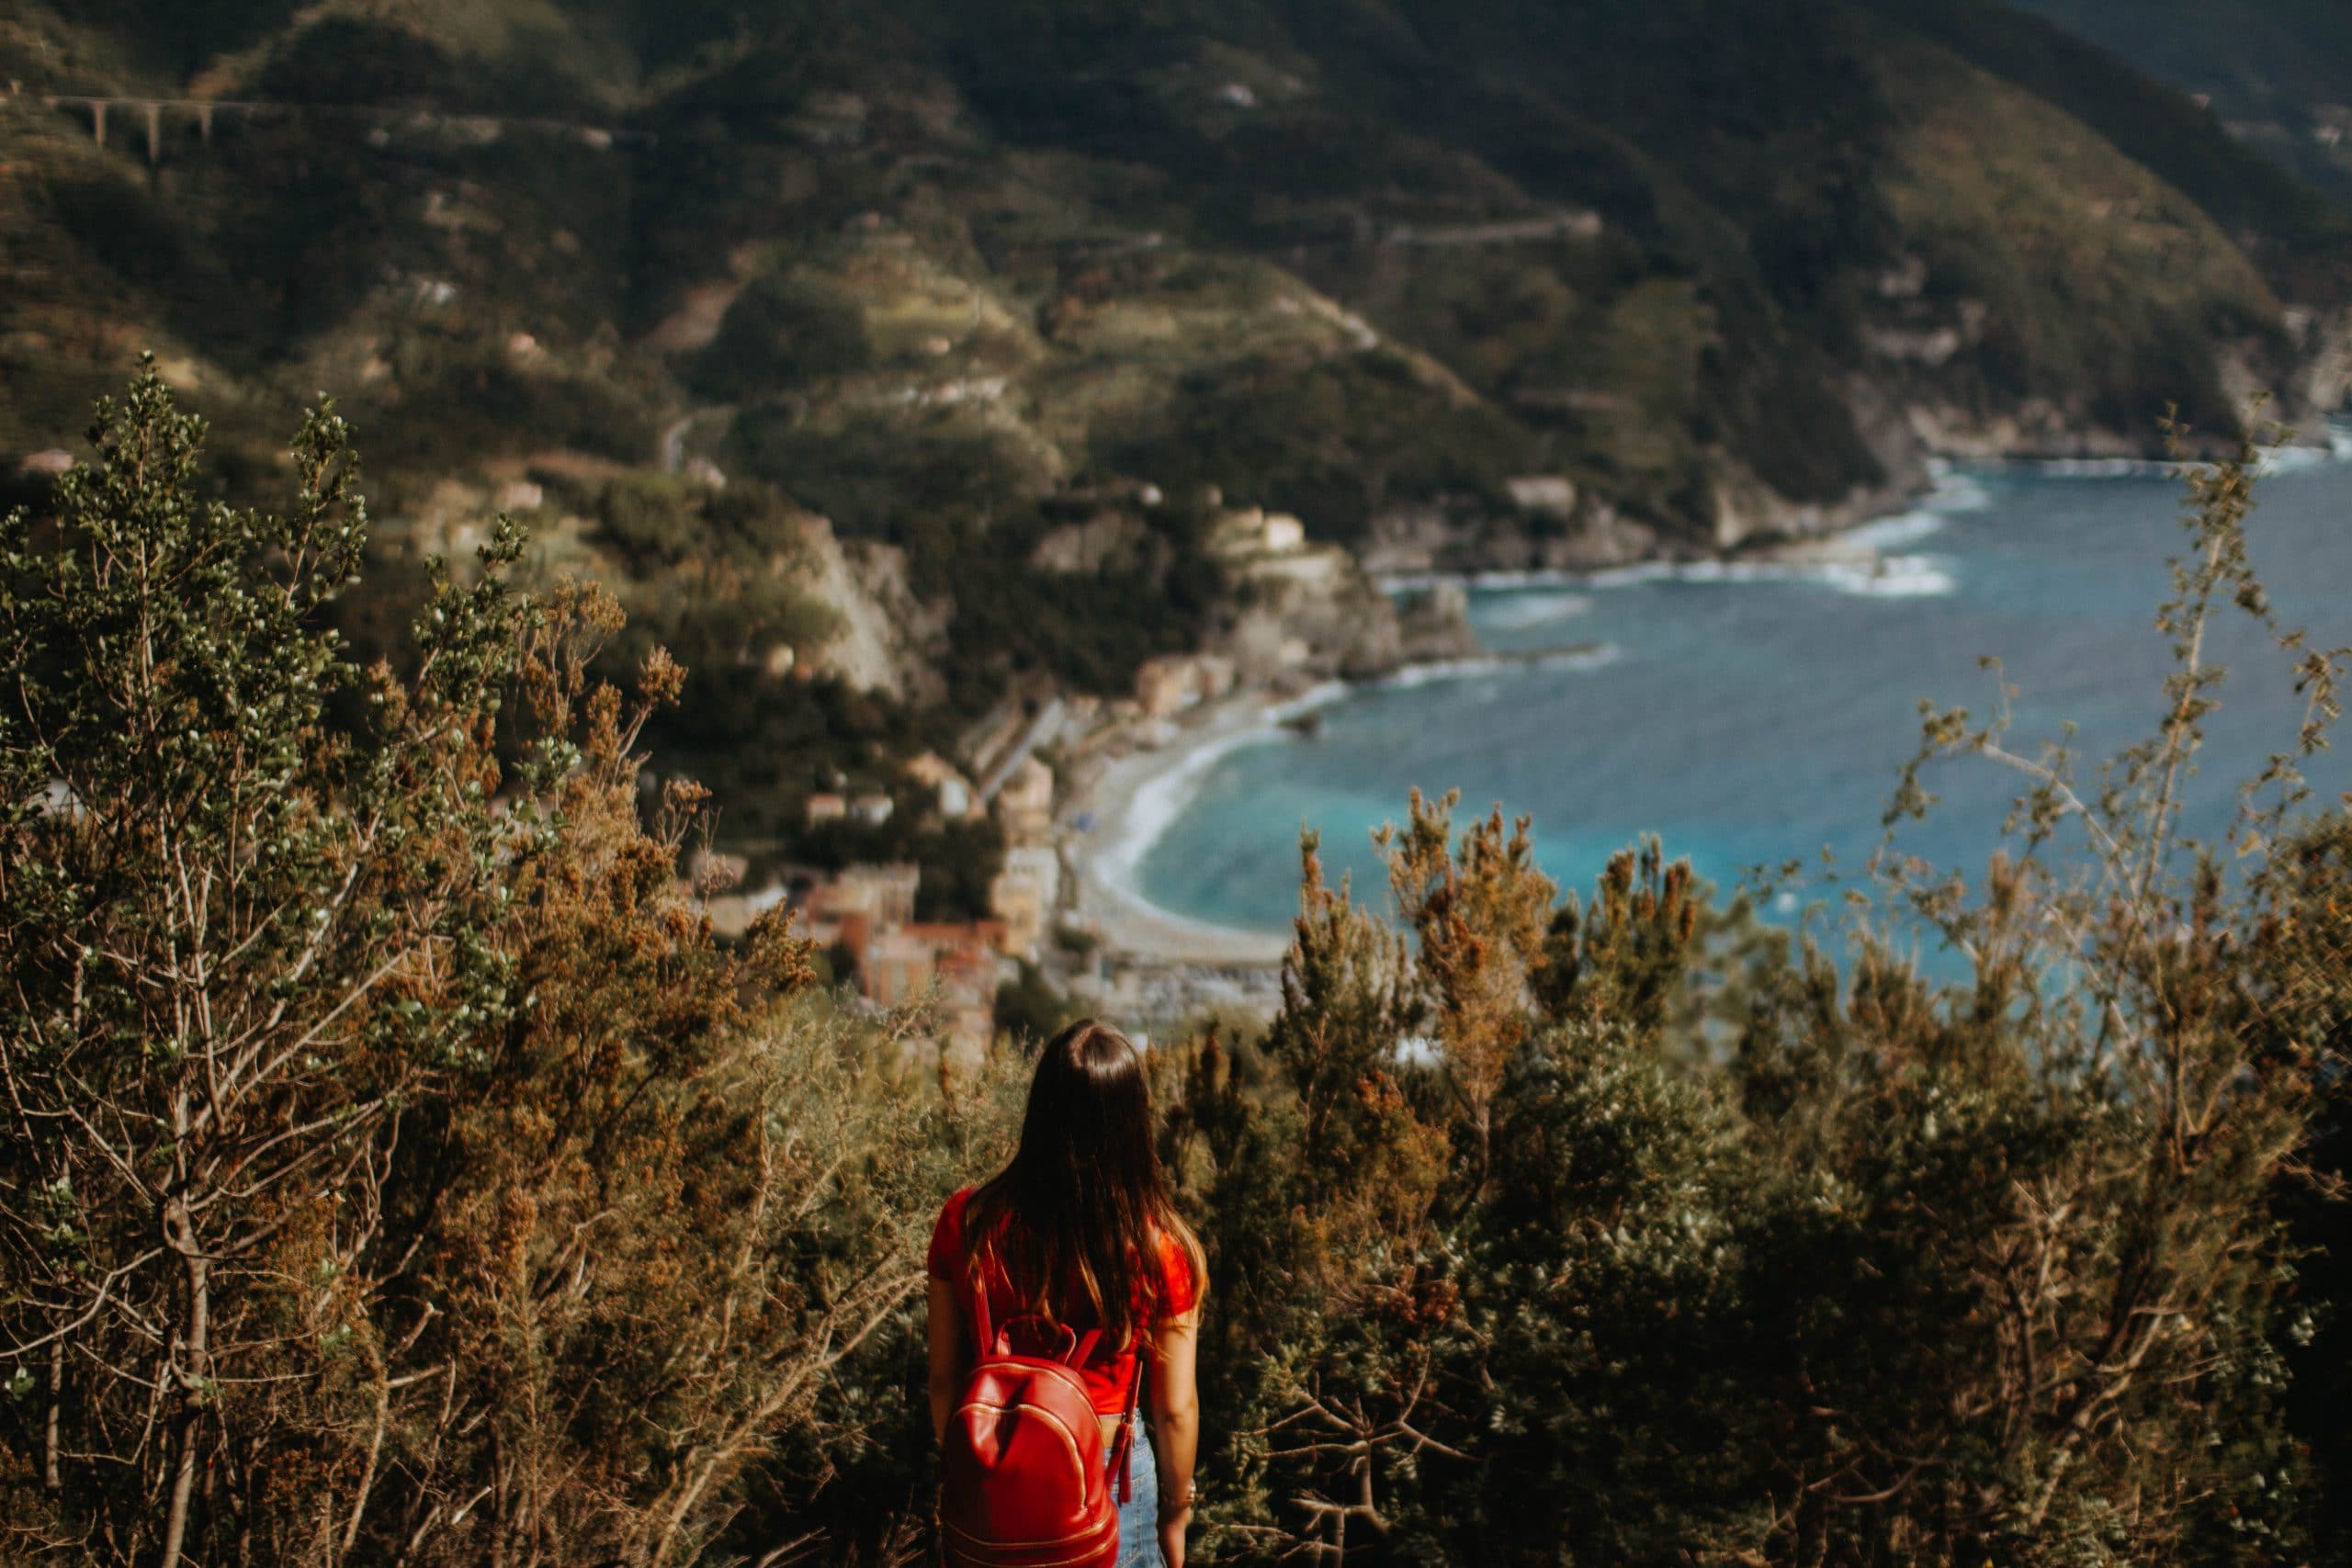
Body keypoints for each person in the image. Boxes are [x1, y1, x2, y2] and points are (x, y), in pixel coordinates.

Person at [928, 1019, 1206, 1568]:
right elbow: (1174, 1410)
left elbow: (942, 1381)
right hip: (1109, 1479)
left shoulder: (967, 1222)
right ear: (1132, 1125)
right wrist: (1177, 1511)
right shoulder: (1161, 1250)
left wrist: (982, 1477)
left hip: (990, 1476)